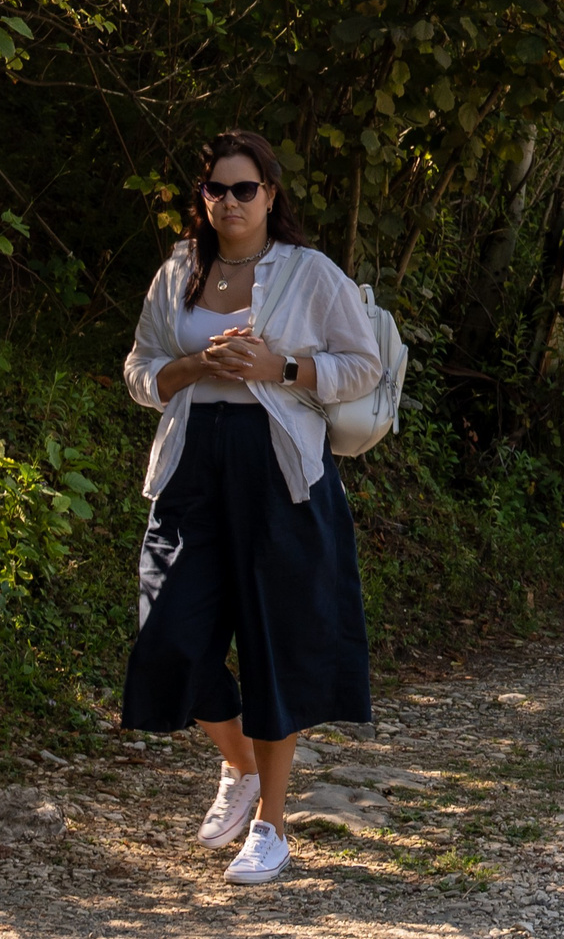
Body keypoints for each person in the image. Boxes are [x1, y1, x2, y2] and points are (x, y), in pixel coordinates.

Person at [121, 129, 385, 886]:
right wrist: (196, 364)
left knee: (277, 642)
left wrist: (282, 366)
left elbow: (361, 363)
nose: (229, 203)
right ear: (200, 198)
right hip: (191, 467)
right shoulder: (177, 273)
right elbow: (139, 369)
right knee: (169, 632)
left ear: (271, 193)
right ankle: (238, 765)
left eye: (244, 189)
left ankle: (271, 825)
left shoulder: (310, 273)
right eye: (216, 190)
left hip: (282, 472)